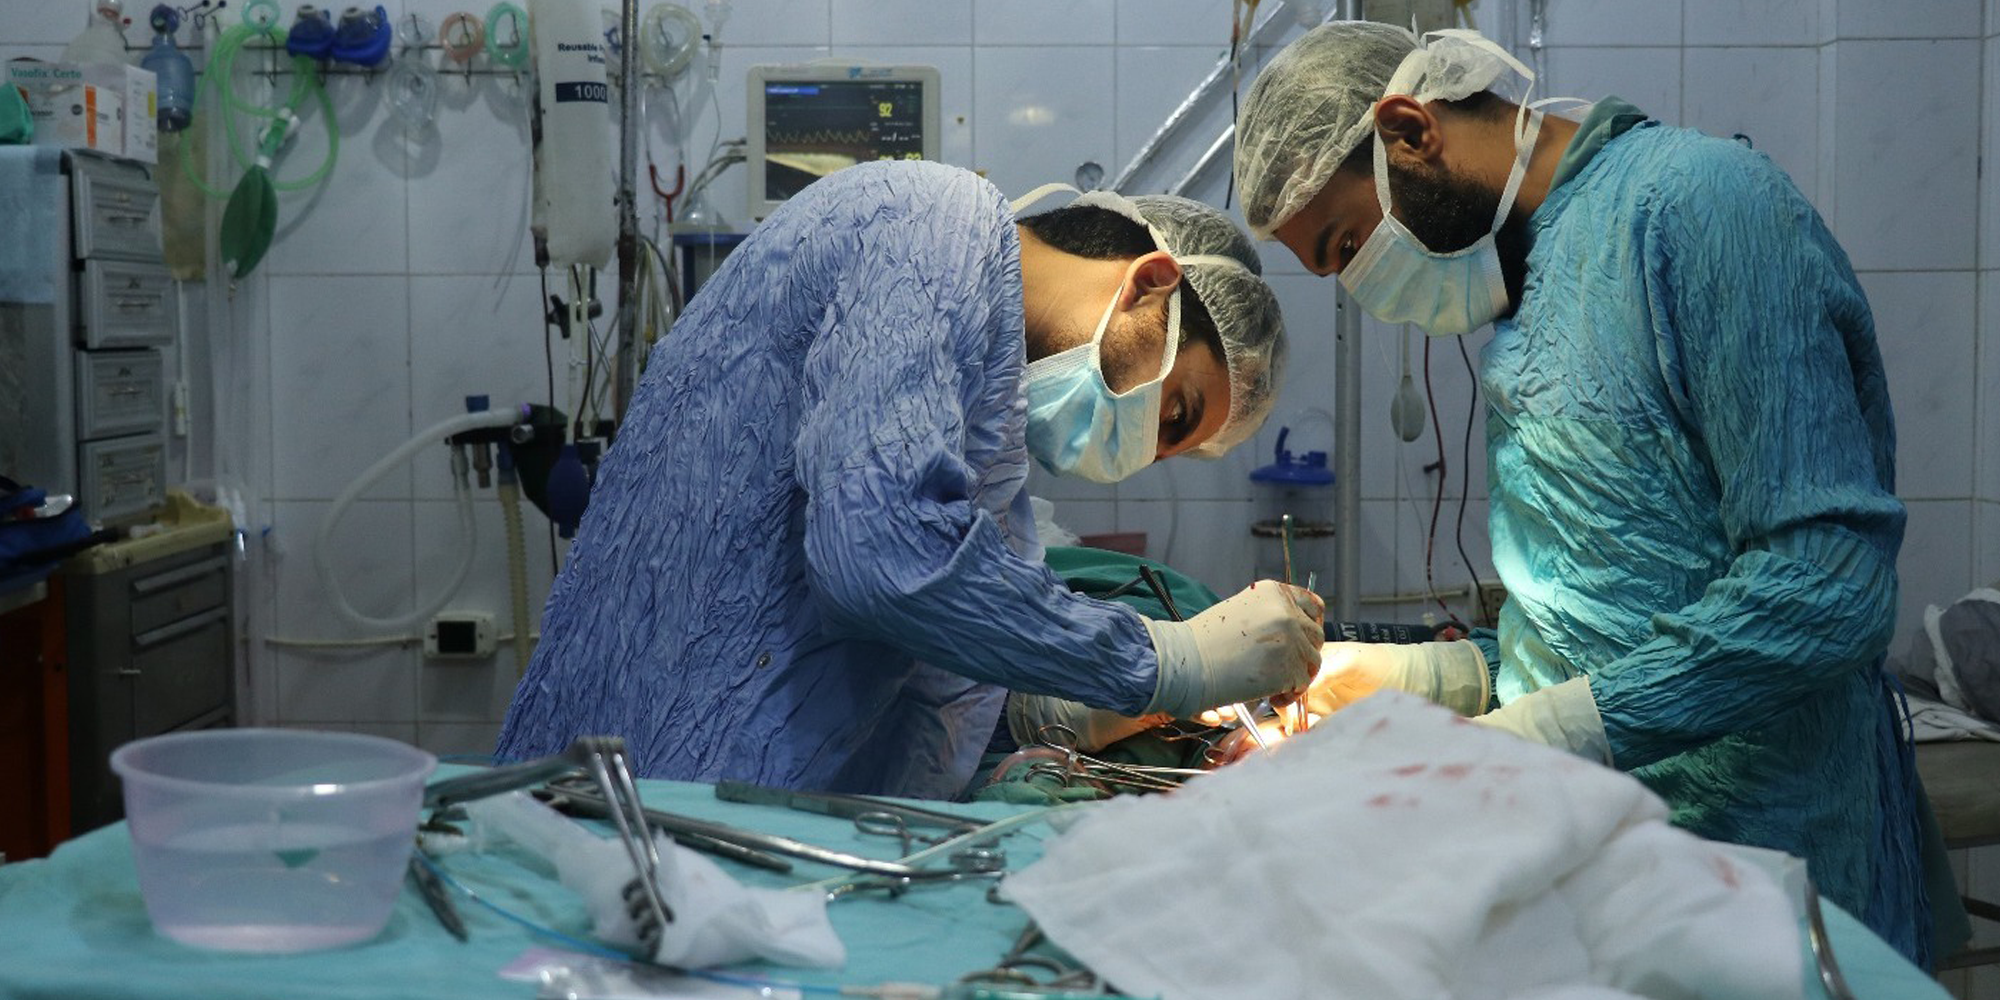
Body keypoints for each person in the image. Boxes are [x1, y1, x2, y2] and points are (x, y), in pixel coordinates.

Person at [1232, 23, 1934, 964]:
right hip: (1606, 864)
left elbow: (1827, 590)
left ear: (1409, 131)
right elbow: (1613, 618)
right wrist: (1442, 679)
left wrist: (1559, 728)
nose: (1363, 286)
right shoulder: (1536, 284)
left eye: (1349, 243)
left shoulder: (1701, 208)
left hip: (1766, 865)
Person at [496, 160, 1323, 800]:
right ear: (1150, 284)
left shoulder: (986, 433)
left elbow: (949, 670)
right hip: (636, 787)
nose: (1146, 451)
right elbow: (883, 558)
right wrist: (1169, 659)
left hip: (734, 810)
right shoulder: (932, 226)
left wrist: (1047, 709)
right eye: (1174, 413)